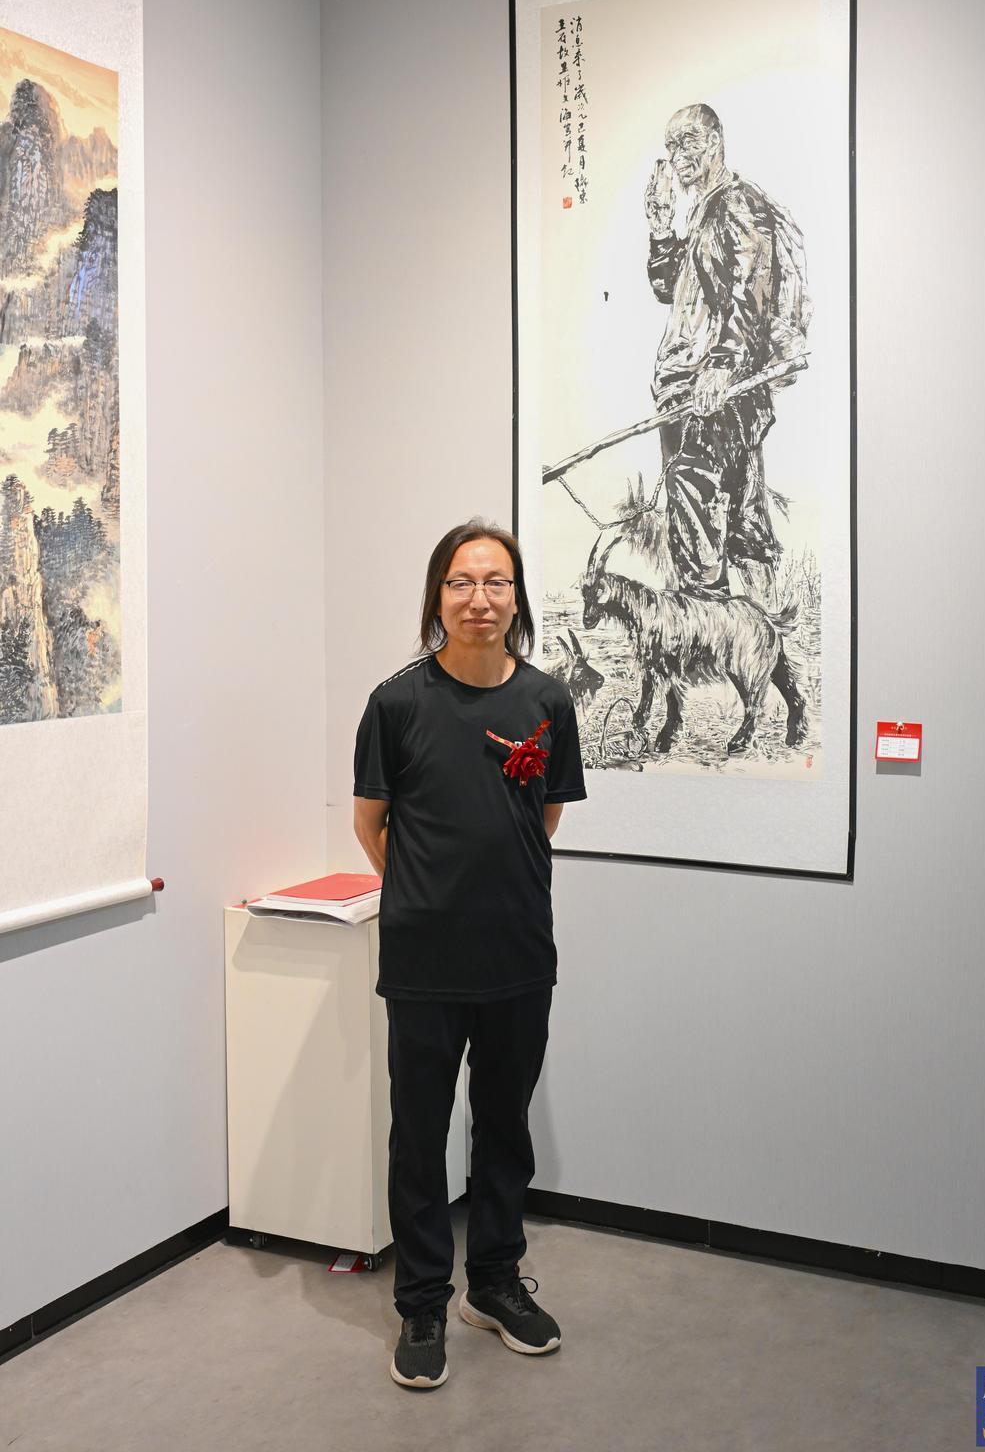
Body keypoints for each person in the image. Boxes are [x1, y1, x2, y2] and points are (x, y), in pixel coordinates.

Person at [352, 518, 587, 1390]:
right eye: (461, 582)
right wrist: (428, 892)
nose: (478, 598)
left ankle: (492, 1284)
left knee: (504, 1128)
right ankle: (421, 1303)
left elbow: (543, 817)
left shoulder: (547, 702)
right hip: (423, 958)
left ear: (515, 599)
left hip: (518, 949)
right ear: (437, 596)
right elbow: (370, 824)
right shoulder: (396, 703)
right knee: (418, 1135)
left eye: (495, 582)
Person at [644, 103, 810, 608]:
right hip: (693, 387)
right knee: (737, 508)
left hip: (715, 386)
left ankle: (713, 626)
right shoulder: (704, 212)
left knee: (698, 498)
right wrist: (661, 228)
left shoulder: (736, 203)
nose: (678, 156)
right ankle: (762, 624)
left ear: (715, 142)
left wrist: (721, 365)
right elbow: (670, 289)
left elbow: (750, 288)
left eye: (688, 142)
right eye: (671, 146)